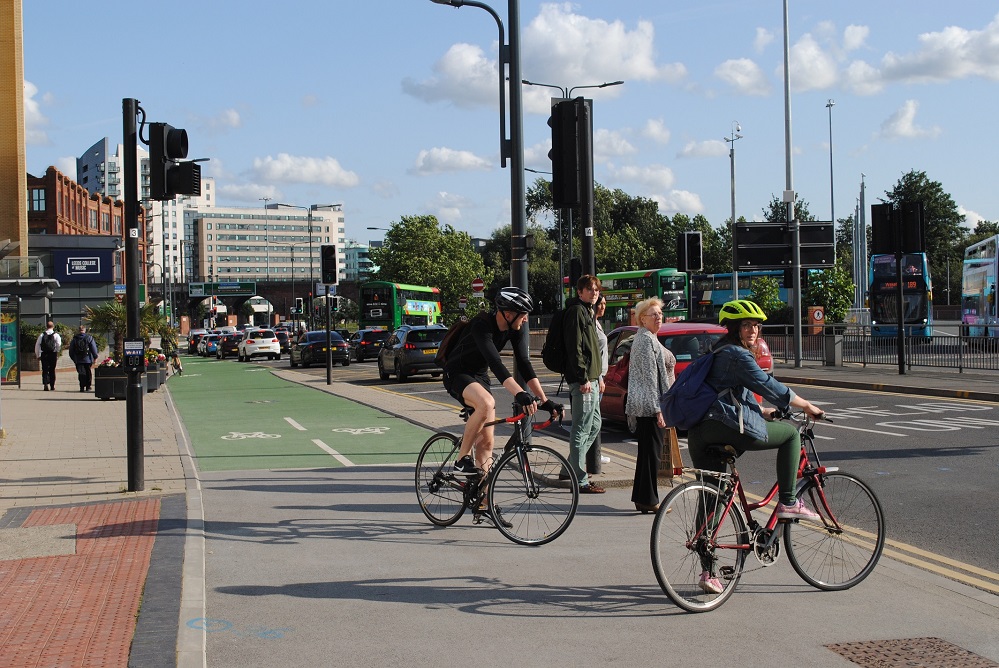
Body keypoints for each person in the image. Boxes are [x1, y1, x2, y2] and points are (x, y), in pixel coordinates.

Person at [686, 299, 825, 594]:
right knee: (790, 436)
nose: (753, 330)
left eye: (756, 326)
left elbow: (733, 397)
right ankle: (788, 502)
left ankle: (708, 572)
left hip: (700, 432)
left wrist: (764, 413)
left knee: (712, 498)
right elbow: (769, 386)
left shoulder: (717, 352)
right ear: (734, 328)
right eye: (746, 325)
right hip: (724, 427)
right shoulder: (737, 355)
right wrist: (806, 405)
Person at [441, 287, 563, 525]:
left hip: (478, 376)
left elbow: (524, 364)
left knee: (487, 442)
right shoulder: (482, 325)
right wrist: (520, 394)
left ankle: (484, 503)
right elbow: (496, 364)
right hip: (457, 373)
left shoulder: (515, 328)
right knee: (487, 402)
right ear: (508, 313)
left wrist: (544, 400)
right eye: (523, 314)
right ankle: (461, 461)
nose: (526, 319)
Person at [625, 297, 676, 513]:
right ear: (642, 319)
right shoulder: (646, 340)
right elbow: (649, 377)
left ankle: (643, 498)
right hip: (648, 407)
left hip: (647, 405)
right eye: (653, 314)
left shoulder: (649, 338)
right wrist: (658, 408)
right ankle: (649, 499)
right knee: (651, 455)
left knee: (647, 454)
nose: (658, 317)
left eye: (660, 314)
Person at [561, 274, 605, 494]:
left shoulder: (587, 311)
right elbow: (574, 347)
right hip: (584, 382)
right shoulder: (577, 311)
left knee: (594, 425)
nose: (594, 293)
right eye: (590, 289)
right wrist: (583, 378)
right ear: (580, 292)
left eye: (596, 289)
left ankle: (568, 468)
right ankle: (579, 480)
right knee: (580, 428)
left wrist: (598, 377)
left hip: (593, 379)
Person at [587, 293, 611, 472]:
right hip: (595, 378)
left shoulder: (597, 323)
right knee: (591, 422)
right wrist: (600, 378)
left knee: (594, 422)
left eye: (604, 304)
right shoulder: (591, 324)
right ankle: (587, 456)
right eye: (600, 304)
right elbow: (592, 354)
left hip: (598, 376)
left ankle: (593, 453)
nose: (603, 307)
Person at [67, 325, 99, 392]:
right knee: (88, 372)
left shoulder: (75, 339)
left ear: (79, 330)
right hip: (87, 359)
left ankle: (82, 387)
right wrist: (95, 357)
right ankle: (88, 386)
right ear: (85, 330)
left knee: (81, 373)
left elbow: (71, 350)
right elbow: (93, 348)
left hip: (78, 359)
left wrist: (74, 358)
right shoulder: (89, 338)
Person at [35, 320, 62, 391]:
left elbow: (37, 345)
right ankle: (52, 386)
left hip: (44, 354)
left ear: (46, 326)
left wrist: (38, 355)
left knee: (45, 370)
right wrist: (57, 351)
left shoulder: (42, 335)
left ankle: (45, 384)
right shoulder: (56, 335)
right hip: (53, 354)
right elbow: (59, 344)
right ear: (53, 326)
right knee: (52, 370)